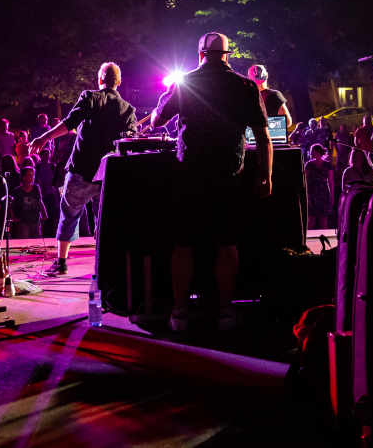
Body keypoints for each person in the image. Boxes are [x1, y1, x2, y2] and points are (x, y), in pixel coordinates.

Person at [151, 32, 272, 332]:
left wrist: (160, 104)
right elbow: (263, 136)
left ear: (200, 55)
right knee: (227, 244)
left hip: (190, 173)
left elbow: (156, 121)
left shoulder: (187, 82)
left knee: (183, 244)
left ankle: (179, 312)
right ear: (228, 55)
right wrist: (266, 175)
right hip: (229, 174)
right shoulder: (246, 86)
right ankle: (225, 312)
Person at [30, 62, 137, 275]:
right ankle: (105, 266)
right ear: (119, 82)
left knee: (69, 214)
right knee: (105, 220)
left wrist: (44, 137)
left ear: (99, 80)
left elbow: (69, 123)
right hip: (108, 175)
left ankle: (61, 263)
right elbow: (130, 141)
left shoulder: (90, 97)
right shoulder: (128, 110)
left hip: (82, 171)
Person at [6, 165, 48, 239]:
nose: (32, 177)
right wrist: (13, 218)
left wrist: (44, 214)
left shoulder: (36, 188)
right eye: (29, 175)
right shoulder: (17, 191)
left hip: (35, 220)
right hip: (23, 222)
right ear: (23, 177)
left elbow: (40, 201)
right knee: (25, 242)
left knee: (36, 243)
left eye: (33, 175)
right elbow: (11, 206)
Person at [247, 64, 293, 131]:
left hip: (252, 138)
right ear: (267, 75)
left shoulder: (246, 97)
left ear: (249, 79)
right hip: (272, 137)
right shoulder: (275, 95)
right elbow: (288, 122)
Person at [303, 143, 333, 229]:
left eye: (312, 151)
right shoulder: (309, 165)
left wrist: (332, 196)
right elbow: (305, 181)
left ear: (317, 152)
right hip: (312, 193)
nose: (311, 153)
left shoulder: (327, 165)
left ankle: (325, 239)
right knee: (311, 219)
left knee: (323, 219)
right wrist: (307, 195)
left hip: (323, 193)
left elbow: (331, 182)